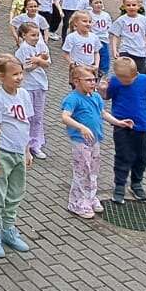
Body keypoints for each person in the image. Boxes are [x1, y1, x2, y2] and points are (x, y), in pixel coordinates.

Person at [0, 54, 33, 259]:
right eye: (15, 74)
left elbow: (26, 123)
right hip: (3, 152)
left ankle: (8, 229)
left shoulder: (25, 95)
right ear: (1, 76)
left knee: (15, 194)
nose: (19, 77)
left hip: (19, 152)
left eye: (21, 73)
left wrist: (27, 150)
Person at [106, 56, 146, 205]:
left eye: (128, 79)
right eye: (122, 79)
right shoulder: (115, 81)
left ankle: (136, 183)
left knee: (141, 156)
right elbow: (106, 96)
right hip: (121, 124)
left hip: (141, 125)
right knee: (122, 155)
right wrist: (102, 89)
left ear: (135, 74)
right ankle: (120, 185)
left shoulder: (144, 80)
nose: (125, 82)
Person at [60, 65, 111, 219]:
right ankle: (76, 202)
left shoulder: (95, 97)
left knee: (93, 171)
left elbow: (102, 113)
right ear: (76, 81)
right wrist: (81, 127)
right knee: (82, 171)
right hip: (80, 142)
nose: (92, 83)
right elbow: (65, 117)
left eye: (94, 79)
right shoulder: (72, 98)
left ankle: (90, 197)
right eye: (88, 80)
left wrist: (118, 122)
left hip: (94, 141)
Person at [14, 19, 51, 159]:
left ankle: (36, 144)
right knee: (27, 116)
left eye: (37, 35)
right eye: (33, 35)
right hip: (27, 86)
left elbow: (47, 63)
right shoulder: (22, 50)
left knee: (38, 116)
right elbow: (26, 68)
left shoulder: (41, 45)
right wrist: (40, 60)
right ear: (24, 35)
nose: (36, 38)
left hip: (40, 85)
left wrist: (39, 60)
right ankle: (25, 144)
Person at [109, 0, 146, 74]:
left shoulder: (144, 20)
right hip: (125, 50)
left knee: (140, 74)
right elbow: (115, 36)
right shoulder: (121, 20)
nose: (131, 7)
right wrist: (114, 50)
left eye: (134, 5)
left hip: (140, 51)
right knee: (125, 72)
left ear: (138, 6)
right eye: (128, 5)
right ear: (124, 7)